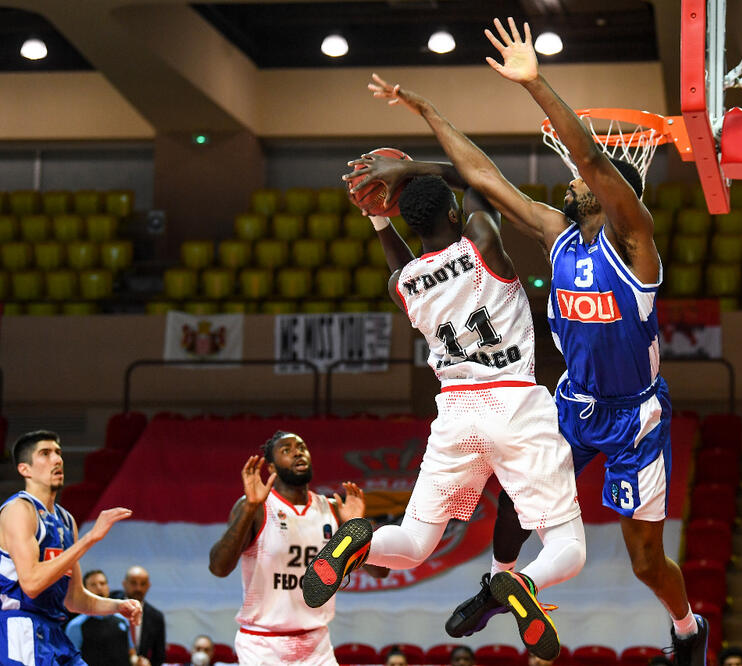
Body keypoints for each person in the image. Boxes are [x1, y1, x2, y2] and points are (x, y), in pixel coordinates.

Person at [349, 15, 707, 662]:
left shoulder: (636, 242)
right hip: (574, 401)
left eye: (579, 177)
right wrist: (425, 119)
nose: (568, 179)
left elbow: (593, 158)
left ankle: (686, 627)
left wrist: (535, 84)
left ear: (610, 190)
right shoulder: (555, 232)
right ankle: (504, 583)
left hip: (636, 418)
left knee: (647, 563)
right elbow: (481, 177)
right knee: (517, 495)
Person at [301, 177, 585, 663]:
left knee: (412, 543)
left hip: (456, 412)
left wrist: (378, 218)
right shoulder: (484, 247)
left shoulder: (403, 284)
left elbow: (401, 264)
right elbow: (477, 177)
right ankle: (519, 581)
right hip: (515, 403)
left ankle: (359, 547)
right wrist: (413, 166)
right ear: (455, 215)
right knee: (569, 546)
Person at [208, 430, 369, 665]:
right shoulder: (257, 507)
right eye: (287, 451)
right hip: (263, 644)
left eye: (301, 448)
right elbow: (219, 568)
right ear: (271, 468)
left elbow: (380, 572)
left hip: (316, 643)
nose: (297, 453)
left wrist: (353, 529)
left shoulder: (333, 509)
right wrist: (250, 507)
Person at [0, 430, 142, 665]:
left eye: (58, 452)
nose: (57, 459)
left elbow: (74, 599)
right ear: (25, 469)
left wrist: (119, 606)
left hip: (54, 631)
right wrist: (90, 538)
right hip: (19, 628)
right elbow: (32, 584)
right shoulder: (19, 510)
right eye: (45, 454)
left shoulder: (66, 521)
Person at [66, 569, 147, 666]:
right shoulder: (76, 626)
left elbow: (131, 653)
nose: (99, 588)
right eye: (93, 585)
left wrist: (139, 662)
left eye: (102, 583)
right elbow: (69, 661)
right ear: (85, 591)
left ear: (108, 587)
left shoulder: (122, 620)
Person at [112, 565, 166, 666]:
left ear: (149, 586)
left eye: (143, 584)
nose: (138, 588)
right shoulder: (110, 606)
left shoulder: (156, 617)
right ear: (124, 584)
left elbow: (159, 656)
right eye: (133, 583)